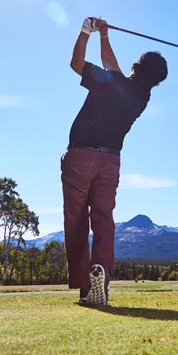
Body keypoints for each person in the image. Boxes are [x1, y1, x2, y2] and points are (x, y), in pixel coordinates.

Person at [61, 17, 168, 306]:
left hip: (81, 156)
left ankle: (85, 285)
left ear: (136, 67)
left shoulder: (114, 83)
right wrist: (104, 36)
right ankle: (101, 278)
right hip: (111, 161)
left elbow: (76, 63)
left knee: (76, 221)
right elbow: (112, 69)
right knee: (104, 221)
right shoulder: (140, 98)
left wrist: (86, 32)